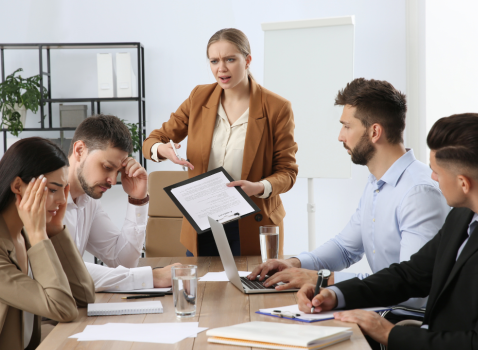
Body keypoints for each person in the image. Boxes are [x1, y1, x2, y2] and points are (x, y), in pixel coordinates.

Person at [249, 78, 449, 317]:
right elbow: (345, 248)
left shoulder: (419, 192)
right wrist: (294, 264)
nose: (340, 136)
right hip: (380, 306)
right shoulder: (377, 182)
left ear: (374, 131)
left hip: (406, 318)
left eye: (346, 126)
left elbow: (411, 286)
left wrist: (324, 279)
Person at [297, 113, 478, 350]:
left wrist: (390, 334)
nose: (432, 177)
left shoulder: (424, 193)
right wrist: (336, 294)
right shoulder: (462, 215)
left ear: (463, 183)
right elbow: (411, 275)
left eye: (437, 172)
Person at [143, 28, 298, 257]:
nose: (221, 68)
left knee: (251, 290)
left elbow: (287, 172)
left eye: (230, 59)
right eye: (214, 61)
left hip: (251, 221)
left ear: (247, 60)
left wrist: (259, 187)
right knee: (202, 290)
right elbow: (152, 141)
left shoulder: (277, 107)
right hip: (203, 220)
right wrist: (162, 149)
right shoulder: (199, 97)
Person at [0, 137, 95, 350]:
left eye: (64, 190)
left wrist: (56, 231)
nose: (62, 200)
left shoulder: (24, 233)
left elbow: (84, 296)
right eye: (52, 189)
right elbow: (63, 308)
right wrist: (39, 233)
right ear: (17, 186)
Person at [64, 114, 176, 292]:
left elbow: (122, 261)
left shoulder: (88, 201)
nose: (112, 180)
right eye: (107, 167)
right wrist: (151, 277)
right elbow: (61, 272)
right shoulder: (45, 196)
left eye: (117, 171)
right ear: (79, 151)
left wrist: (137, 200)